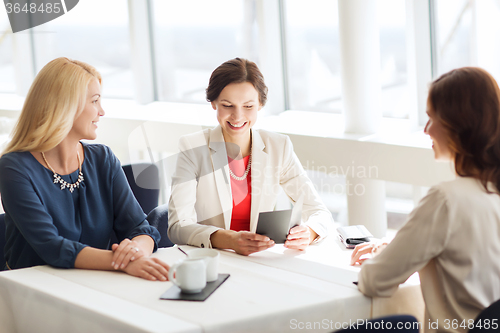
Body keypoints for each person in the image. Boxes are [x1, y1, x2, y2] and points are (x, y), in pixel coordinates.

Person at [351, 67, 500, 333]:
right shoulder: (489, 194)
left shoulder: (446, 200)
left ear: (459, 125)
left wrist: (387, 253)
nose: (426, 130)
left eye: (432, 118)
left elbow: (375, 281)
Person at [0, 57, 169, 281]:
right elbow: (52, 247)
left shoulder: (103, 158)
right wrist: (121, 263)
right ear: (65, 106)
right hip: (34, 290)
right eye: (95, 101)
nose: (102, 111)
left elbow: (141, 228)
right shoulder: (14, 168)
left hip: (95, 279)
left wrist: (137, 253)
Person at [166, 58, 333, 255]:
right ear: (213, 103)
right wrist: (230, 240)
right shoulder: (192, 148)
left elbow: (319, 212)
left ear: (260, 104)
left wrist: (309, 232)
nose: (237, 117)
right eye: (227, 105)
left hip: (260, 259)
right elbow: (177, 227)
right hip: (212, 258)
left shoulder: (278, 147)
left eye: (248, 106)